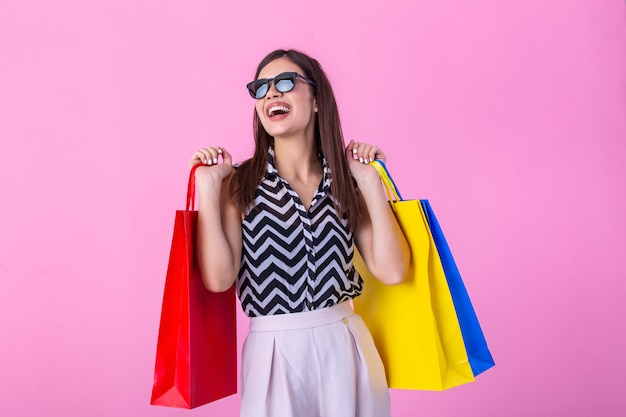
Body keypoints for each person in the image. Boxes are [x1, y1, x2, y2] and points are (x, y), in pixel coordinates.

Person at [189, 49, 410, 417]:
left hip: (345, 345)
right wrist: (208, 189)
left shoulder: (345, 181)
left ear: (318, 99)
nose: (271, 94)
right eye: (261, 88)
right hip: (273, 354)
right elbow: (217, 278)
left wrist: (371, 181)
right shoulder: (238, 185)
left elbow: (393, 271)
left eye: (286, 83)